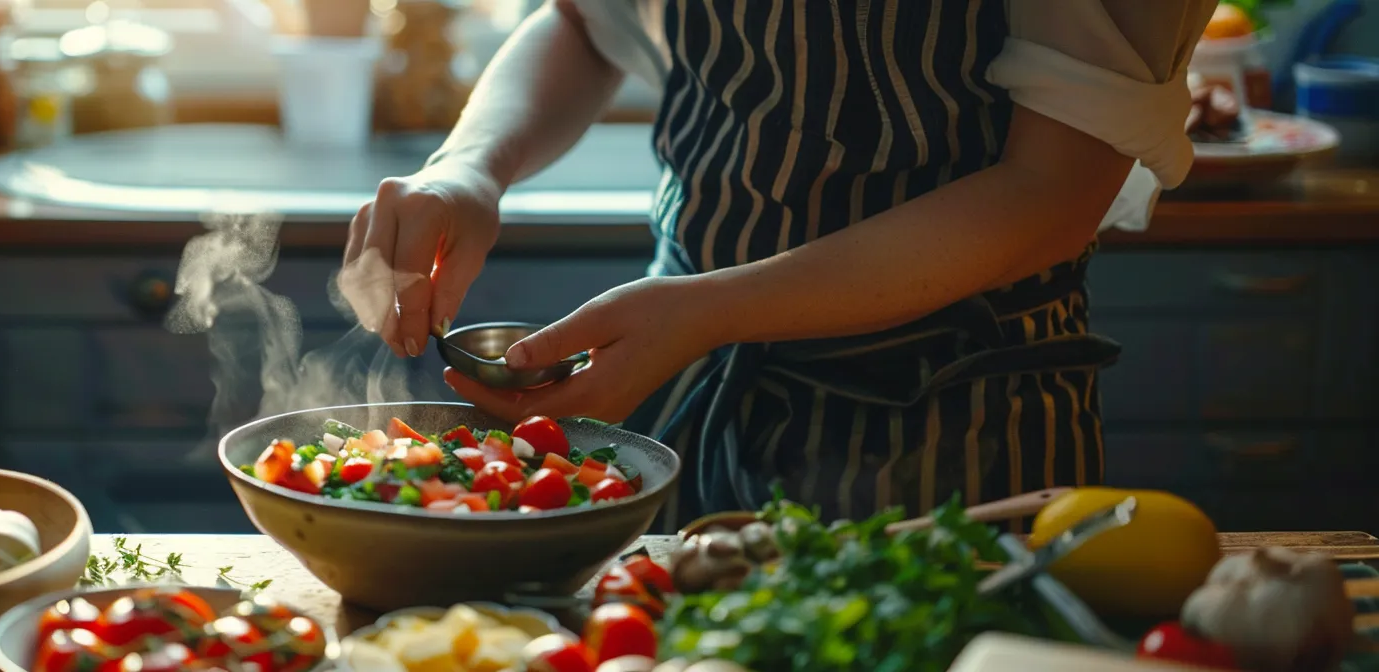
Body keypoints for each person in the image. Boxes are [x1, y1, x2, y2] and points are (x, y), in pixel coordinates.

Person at [338, 0, 1218, 529]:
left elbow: (1053, 194)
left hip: (955, 414)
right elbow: (585, 21)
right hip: (694, 391)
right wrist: (469, 168)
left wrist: (708, 311)